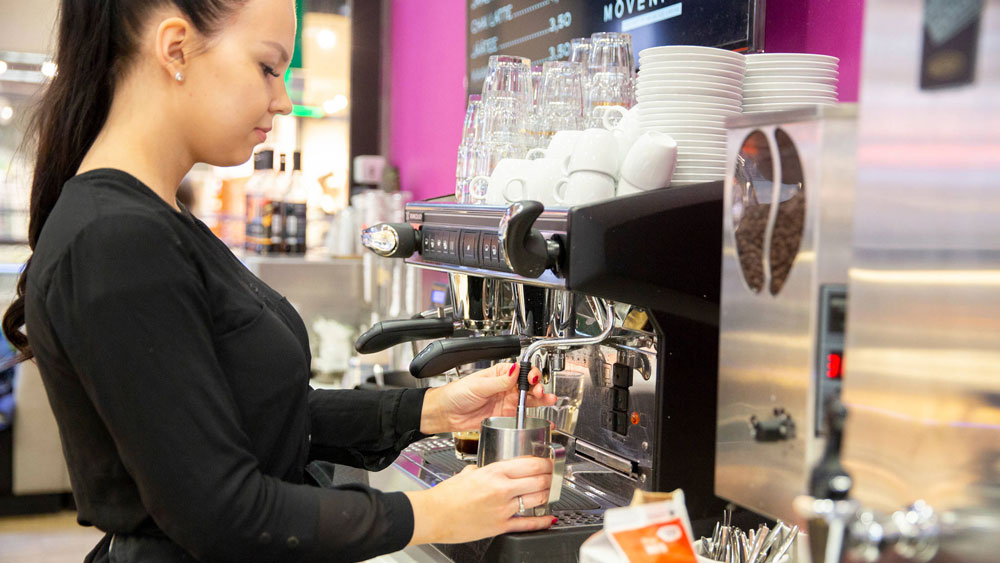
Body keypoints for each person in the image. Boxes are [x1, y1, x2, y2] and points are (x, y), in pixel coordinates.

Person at [1, 1, 558, 561]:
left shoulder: (155, 220)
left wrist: (432, 409)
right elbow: (222, 512)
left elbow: (267, 416)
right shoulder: (116, 238)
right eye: (268, 68)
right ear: (175, 48)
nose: (283, 100)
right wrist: (436, 513)